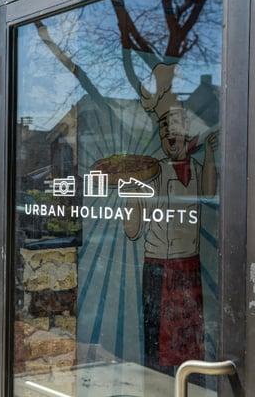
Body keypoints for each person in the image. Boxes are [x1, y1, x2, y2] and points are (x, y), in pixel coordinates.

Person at [123, 64, 218, 375]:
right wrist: (130, 194)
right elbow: (132, 231)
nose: (169, 134)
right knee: (159, 349)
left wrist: (213, 154)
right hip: (158, 267)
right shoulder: (151, 172)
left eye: (175, 127)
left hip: (188, 264)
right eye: (164, 128)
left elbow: (209, 192)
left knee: (190, 341)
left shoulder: (200, 167)